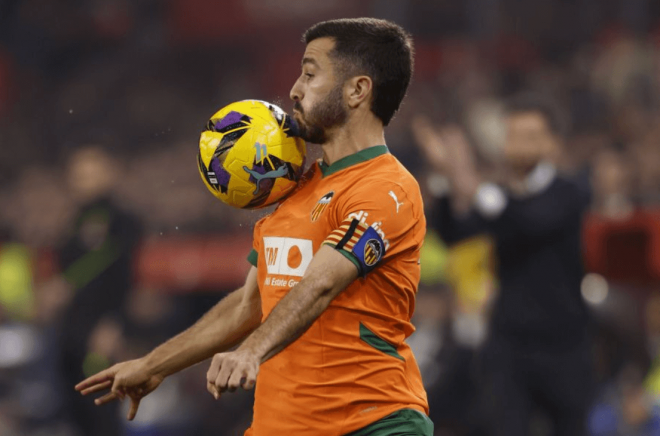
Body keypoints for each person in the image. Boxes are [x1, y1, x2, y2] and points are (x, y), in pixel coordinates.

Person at [76, 18, 433, 436]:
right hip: (278, 426)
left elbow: (321, 284)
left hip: (373, 422)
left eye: (310, 73)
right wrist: (154, 366)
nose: (295, 89)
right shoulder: (292, 190)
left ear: (358, 90)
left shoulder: (386, 188)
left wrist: (250, 353)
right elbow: (250, 304)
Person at [412, 95, 593, 436]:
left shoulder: (569, 192)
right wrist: (445, 177)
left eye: (529, 136)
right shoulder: (500, 198)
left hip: (564, 345)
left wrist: (468, 180)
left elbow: (529, 222)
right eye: (512, 136)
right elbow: (454, 233)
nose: (517, 145)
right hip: (510, 345)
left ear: (552, 142)